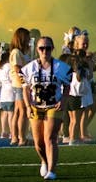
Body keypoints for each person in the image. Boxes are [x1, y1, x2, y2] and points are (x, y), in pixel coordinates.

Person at [22, 36, 71, 180]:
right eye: (41, 48)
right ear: (37, 50)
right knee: (38, 142)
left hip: (53, 106)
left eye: (48, 48)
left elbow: (67, 85)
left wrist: (63, 99)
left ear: (52, 49)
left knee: (50, 138)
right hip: (36, 106)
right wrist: (27, 105)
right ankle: (44, 160)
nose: (45, 51)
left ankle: (52, 170)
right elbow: (25, 89)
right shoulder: (29, 68)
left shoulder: (61, 67)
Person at [10, 27, 32, 146]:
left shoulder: (23, 52)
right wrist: (25, 83)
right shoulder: (16, 52)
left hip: (21, 84)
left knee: (18, 111)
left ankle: (15, 137)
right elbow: (17, 69)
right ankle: (21, 137)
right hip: (20, 85)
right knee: (22, 111)